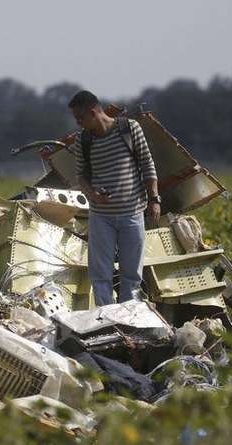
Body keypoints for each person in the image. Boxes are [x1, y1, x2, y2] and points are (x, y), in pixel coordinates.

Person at [68, 90, 160, 306]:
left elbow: (148, 165)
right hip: (101, 217)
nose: (79, 123)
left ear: (93, 112)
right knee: (100, 276)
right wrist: (93, 195)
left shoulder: (129, 129)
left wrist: (154, 200)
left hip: (132, 214)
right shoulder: (83, 140)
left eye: (80, 118)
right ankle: (107, 321)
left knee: (131, 276)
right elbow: (81, 176)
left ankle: (129, 320)